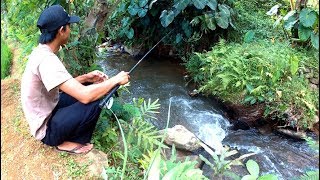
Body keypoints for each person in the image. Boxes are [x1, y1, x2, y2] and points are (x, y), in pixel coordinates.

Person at [21, 5, 130, 154]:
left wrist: (87, 77)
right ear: (61, 31)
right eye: (68, 27)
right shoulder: (47, 60)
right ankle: (67, 141)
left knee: (87, 84)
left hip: (47, 110)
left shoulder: (41, 52)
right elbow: (85, 96)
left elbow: (57, 86)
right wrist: (116, 80)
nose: (70, 31)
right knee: (94, 100)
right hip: (46, 130)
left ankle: (67, 131)